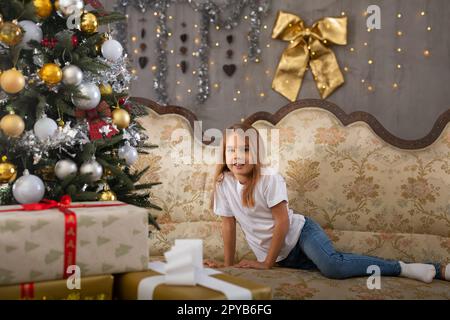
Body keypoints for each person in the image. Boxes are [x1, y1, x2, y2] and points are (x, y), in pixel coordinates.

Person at [205, 123, 449, 283]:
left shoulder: (269, 178)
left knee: (333, 267)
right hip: (282, 257)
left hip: (300, 235)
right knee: (337, 264)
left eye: (245, 149)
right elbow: (229, 225)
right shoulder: (222, 183)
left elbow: (282, 223)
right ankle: (427, 269)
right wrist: (228, 267)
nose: (238, 156)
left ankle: (410, 268)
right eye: (231, 150)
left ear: (257, 152)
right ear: (224, 154)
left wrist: (266, 264)